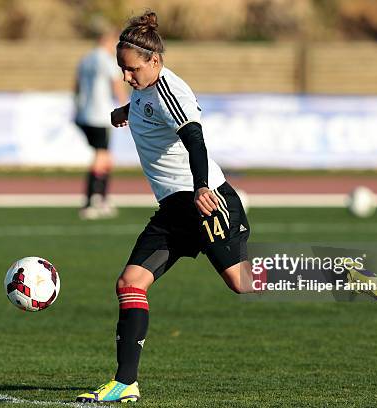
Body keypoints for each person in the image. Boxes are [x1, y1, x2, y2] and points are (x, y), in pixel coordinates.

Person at [75, 11, 255, 403]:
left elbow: (195, 141)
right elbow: (145, 104)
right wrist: (128, 111)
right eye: (122, 70)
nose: (126, 77)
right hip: (173, 210)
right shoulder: (143, 87)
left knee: (243, 283)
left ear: (154, 61)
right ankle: (125, 383)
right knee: (130, 284)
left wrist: (203, 188)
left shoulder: (171, 91)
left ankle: (332, 273)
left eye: (131, 70)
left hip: (206, 203)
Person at [74, 22, 128, 220]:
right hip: (99, 115)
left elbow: (77, 87)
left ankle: (101, 199)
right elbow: (116, 85)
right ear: (107, 40)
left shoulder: (85, 59)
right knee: (101, 158)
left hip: (85, 114)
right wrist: (126, 109)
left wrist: (78, 108)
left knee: (104, 157)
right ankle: (91, 202)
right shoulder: (105, 59)